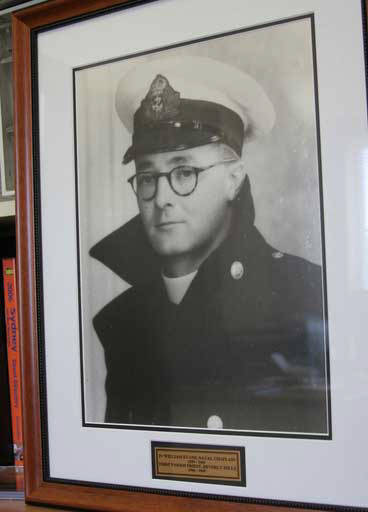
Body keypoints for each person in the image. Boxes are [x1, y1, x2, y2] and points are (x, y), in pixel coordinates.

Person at [90, 57, 328, 434]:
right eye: (147, 177)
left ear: (234, 180)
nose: (161, 197)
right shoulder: (124, 321)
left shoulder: (305, 294)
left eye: (184, 172)